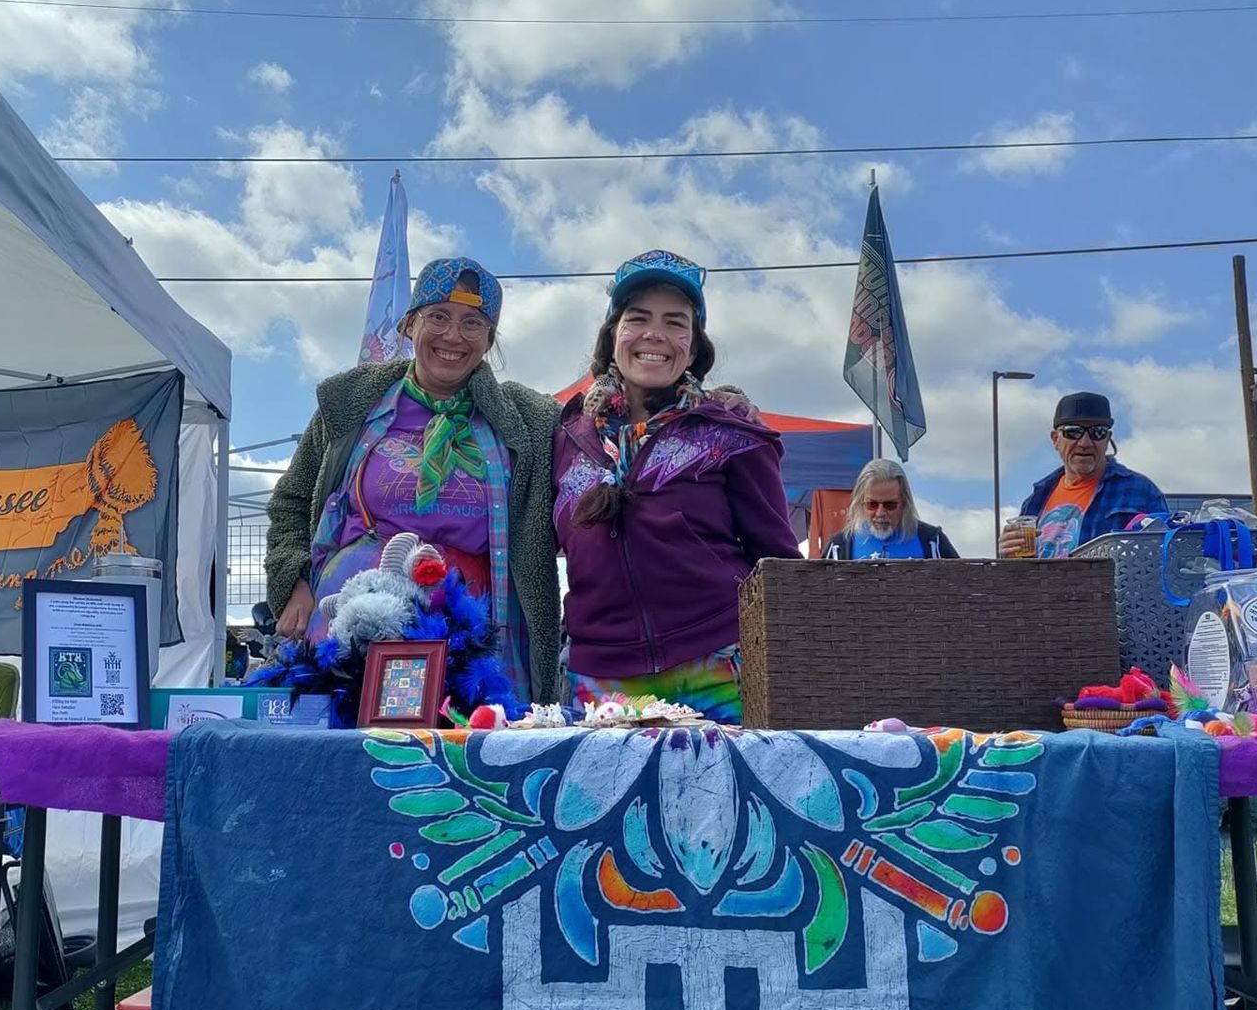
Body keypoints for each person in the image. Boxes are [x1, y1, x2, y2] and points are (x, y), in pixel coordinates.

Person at [265, 257, 561, 702]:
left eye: (472, 323)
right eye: (438, 316)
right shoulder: (351, 406)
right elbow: (291, 501)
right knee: (343, 755)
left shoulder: (527, 421)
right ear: (409, 325)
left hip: (469, 634)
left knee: (461, 754)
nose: (453, 336)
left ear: (489, 339)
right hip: (351, 621)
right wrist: (292, 582)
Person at [554, 250, 799, 722]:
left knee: (724, 796)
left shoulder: (731, 433)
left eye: (675, 322)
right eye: (638, 318)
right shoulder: (568, 434)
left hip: (716, 670)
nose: (655, 335)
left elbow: (778, 567)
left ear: (693, 344)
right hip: (599, 678)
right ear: (613, 335)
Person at [999, 390, 1167, 558]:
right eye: (1073, 432)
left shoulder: (1141, 491)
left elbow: (1165, 560)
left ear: (1108, 438)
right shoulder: (1036, 499)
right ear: (1055, 439)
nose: (1085, 443)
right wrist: (1008, 555)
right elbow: (1022, 570)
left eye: (1098, 432)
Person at [824, 458, 959, 559]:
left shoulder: (933, 542)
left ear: (905, 503)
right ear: (860, 502)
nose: (880, 513)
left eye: (890, 505)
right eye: (872, 505)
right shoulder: (838, 547)